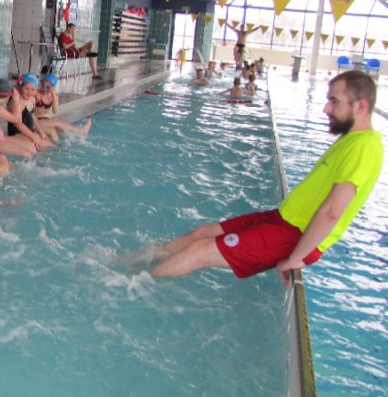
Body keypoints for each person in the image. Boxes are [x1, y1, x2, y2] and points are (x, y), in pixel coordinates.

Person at [144, 71, 383, 282]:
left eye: (334, 101)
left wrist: (295, 258)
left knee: (199, 251)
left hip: (296, 234)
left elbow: (332, 212)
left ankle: (138, 286)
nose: (326, 109)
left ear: (360, 106)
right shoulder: (351, 140)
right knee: (202, 234)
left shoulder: (364, 147)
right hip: (283, 219)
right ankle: (135, 260)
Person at [0, 79, 37, 158]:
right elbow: (16, 119)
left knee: (31, 147)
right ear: (7, 96)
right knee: (27, 153)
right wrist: (16, 100)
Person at [33, 73, 91, 142]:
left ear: (53, 87)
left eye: (48, 87)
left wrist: (54, 96)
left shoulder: (53, 96)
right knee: (56, 122)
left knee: (61, 130)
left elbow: (55, 111)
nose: (45, 88)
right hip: (37, 121)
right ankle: (80, 130)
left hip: (46, 120)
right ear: (42, 83)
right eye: (44, 85)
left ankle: (61, 145)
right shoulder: (37, 94)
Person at [8, 73, 55, 150]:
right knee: (39, 147)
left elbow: (33, 117)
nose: (29, 92)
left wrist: (41, 132)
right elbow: (18, 124)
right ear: (21, 87)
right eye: (26, 89)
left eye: (33, 89)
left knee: (49, 143)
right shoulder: (18, 102)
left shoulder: (32, 99)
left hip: (29, 132)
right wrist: (33, 137)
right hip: (17, 134)